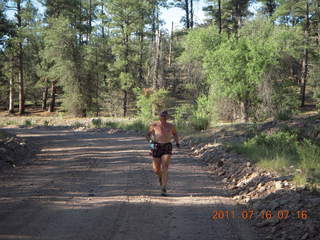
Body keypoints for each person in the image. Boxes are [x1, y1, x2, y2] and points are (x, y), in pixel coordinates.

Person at [146, 110, 180, 196]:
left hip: (167, 146)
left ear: (167, 117)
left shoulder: (171, 126)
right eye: (162, 116)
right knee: (156, 169)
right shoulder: (154, 125)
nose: (163, 118)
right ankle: (160, 177)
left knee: (165, 166)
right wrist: (151, 144)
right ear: (159, 117)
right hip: (156, 146)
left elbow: (175, 134)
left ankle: (163, 187)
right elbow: (147, 135)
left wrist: (177, 143)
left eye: (165, 116)